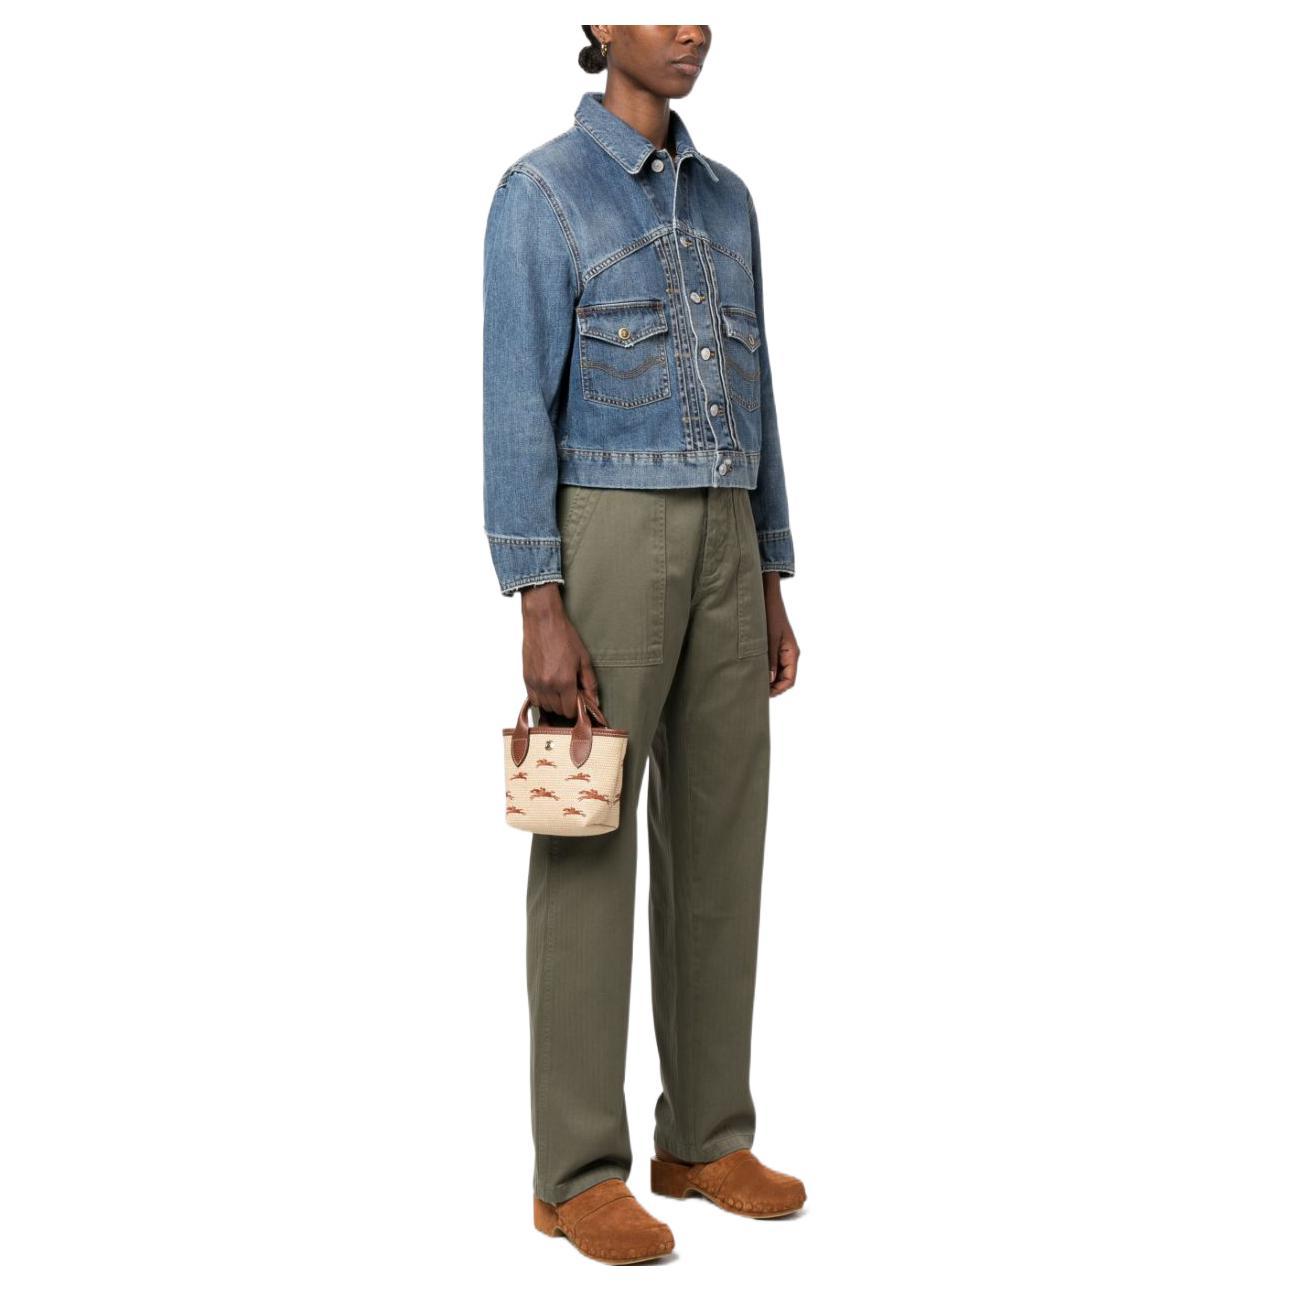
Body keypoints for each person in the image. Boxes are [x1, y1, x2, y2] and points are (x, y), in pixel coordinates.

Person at [482, 25, 805, 1265]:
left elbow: (760, 400)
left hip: (726, 532)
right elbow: (513, 401)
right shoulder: (541, 193)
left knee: (722, 834)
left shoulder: (729, 202)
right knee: (585, 835)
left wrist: (769, 570)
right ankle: (573, 1170)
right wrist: (536, 596)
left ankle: (705, 1135)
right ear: (595, 25)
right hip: (606, 532)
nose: (690, 25)